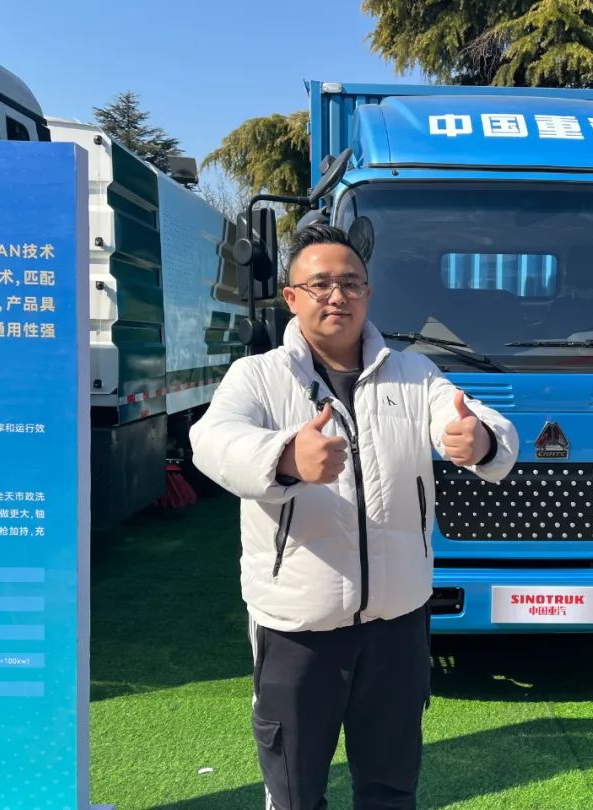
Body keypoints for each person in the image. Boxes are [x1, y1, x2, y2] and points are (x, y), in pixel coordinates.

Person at [189, 224, 519, 810]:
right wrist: (285, 457)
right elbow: (211, 441)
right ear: (291, 297)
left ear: (368, 293)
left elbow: (478, 421)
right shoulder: (259, 376)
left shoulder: (414, 374)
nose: (337, 295)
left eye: (350, 283)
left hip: (398, 622)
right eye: (320, 284)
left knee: (390, 789)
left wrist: (481, 440)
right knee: (295, 792)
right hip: (298, 627)